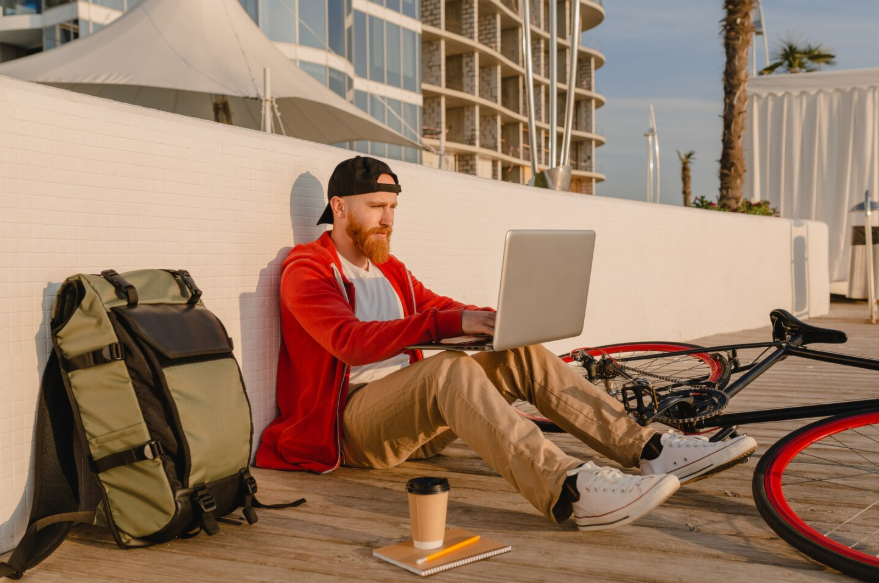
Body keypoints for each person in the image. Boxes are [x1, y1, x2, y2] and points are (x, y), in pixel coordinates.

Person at [256, 156, 757, 530]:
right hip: (349, 427)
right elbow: (351, 343)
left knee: (513, 351)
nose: (388, 219)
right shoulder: (308, 269)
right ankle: (568, 488)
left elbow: (437, 307)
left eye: (392, 207)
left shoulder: (390, 269)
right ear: (340, 208)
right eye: (376, 207)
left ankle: (648, 447)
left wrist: (495, 320)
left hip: (414, 424)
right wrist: (448, 322)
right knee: (449, 367)